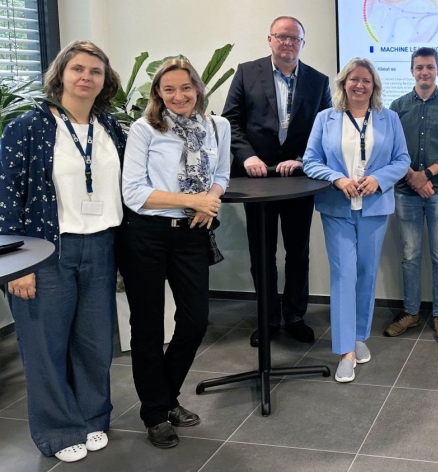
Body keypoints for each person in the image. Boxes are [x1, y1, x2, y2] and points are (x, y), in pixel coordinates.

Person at [0, 40, 126, 463]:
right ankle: (57, 429)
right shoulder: (28, 126)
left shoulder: (111, 129)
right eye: (78, 69)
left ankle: (92, 417)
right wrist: (14, 265)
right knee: (45, 344)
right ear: (61, 75)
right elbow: (5, 196)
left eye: (95, 70)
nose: (86, 76)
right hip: (46, 252)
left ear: (105, 80)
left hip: (102, 245)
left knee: (93, 343)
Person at [121, 59, 231, 448]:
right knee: (148, 327)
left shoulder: (218, 126)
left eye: (185, 88)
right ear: (158, 94)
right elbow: (133, 192)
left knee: (195, 322)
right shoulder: (144, 128)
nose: (178, 96)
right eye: (169, 90)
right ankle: (156, 412)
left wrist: (208, 202)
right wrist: (193, 199)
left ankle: (166, 398)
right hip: (146, 235)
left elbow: (222, 176)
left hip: (191, 234)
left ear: (198, 88)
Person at [222, 15, 332, 348]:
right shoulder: (246, 72)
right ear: (270, 40)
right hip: (257, 181)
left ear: (302, 43)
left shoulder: (318, 80)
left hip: (299, 179)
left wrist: (301, 159)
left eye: (294, 39)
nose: (288, 43)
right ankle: (269, 317)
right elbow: (231, 121)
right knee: (262, 251)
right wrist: (247, 156)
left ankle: (295, 315)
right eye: (281, 37)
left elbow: (324, 128)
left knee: (298, 251)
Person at [302, 57, 410, 383]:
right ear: (343, 84)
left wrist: (379, 178)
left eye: (366, 80)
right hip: (337, 208)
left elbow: (402, 159)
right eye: (353, 80)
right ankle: (345, 351)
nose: (359, 85)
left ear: (374, 85)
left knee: (366, 274)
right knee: (343, 276)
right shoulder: (327, 118)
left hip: (375, 207)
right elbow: (310, 161)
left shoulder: (389, 118)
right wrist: (337, 178)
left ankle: (359, 335)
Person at [384, 47, 438, 342]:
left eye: (429, 67)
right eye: (419, 67)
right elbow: (391, 149)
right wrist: (413, 179)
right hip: (406, 193)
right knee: (409, 256)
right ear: (412, 71)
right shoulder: (398, 106)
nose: (424, 72)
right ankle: (411, 312)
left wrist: (425, 175)